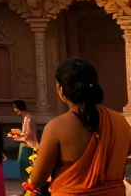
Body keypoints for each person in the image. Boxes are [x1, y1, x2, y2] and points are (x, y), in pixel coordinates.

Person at [28, 58, 131, 196]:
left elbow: (36, 180)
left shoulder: (56, 128)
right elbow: (125, 156)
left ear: (61, 89)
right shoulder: (120, 122)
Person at [10, 100, 40, 188]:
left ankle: (29, 190)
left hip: (30, 147)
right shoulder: (26, 118)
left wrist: (15, 137)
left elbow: (29, 136)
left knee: (26, 171)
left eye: (14, 108)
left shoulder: (29, 118)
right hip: (26, 146)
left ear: (17, 108)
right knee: (23, 171)